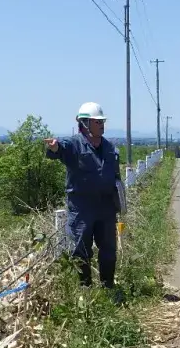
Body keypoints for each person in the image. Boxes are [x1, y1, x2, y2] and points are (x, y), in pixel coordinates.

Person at [45, 102, 122, 289]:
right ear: (85, 123)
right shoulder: (74, 145)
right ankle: (85, 289)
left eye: (102, 121)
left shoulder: (110, 148)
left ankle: (108, 287)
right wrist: (55, 147)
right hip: (82, 207)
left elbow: (116, 178)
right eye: (97, 122)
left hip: (106, 207)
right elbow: (60, 149)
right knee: (80, 249)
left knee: (108, 250)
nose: (102, 125)